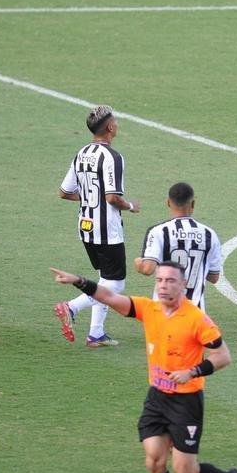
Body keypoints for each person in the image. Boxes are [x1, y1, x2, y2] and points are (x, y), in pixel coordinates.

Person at [50, 261, 237, 473]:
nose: (164, 286)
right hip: (157, 398)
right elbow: (108, 296)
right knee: (154, 462)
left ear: (184, 284)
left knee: (185, 471)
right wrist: (78, 280)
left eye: (170, 281)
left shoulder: (196, 319)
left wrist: (193, 371)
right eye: (160, 280)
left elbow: (223, 356)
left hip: (186, 402)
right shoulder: (149, 309)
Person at [54, 105, 141, 348]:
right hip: (107, 228)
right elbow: (113, 197)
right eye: (116, 121)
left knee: (105, 279)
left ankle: (96, 333)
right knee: (116, 283)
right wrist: (131, 206)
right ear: (110, 128)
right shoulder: (113, 157)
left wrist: (90, 199)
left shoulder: (81, 153)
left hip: (85, 225)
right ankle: (71, 307)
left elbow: (64, 192)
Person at [135, 182, 224, 312]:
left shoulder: (159, 231)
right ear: (193, 204)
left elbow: (147, 269)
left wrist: (138, 263)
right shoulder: (209, 234)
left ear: (168, 203)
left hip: (164, 313)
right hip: (195, 314)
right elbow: (214, 277)